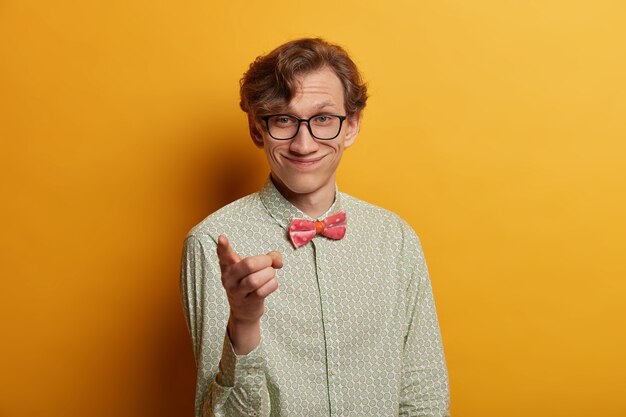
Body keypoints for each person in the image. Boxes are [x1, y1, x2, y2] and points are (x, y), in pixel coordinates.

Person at [180, 38, 450, 417]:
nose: (303, 144)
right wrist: (244, 322)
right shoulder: (211, 243)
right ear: (258, 130)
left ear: (351, 126)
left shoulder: (396, 239)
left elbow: (424, 397)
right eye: (284, 120)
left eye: (323, 118)